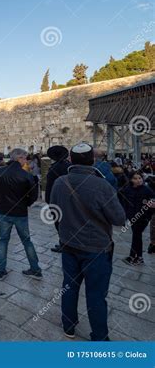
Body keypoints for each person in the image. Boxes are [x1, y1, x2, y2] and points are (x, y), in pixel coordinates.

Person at [50, 143, 126, 341]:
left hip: (68, 246)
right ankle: (99, 336)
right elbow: (119, 219)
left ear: (71, 160)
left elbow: (54, 213)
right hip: (96, 249)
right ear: (92, 160)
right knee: (96, 294)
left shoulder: (59, 183)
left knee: (69, 286)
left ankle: (69, 326)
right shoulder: (102, 185)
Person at [0, 148, 41, 280]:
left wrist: (0, 200)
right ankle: (35, 269)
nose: (26, 161)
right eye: (25, 158)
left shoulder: (0, 172)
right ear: (19, 158)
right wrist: (26, 203)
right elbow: (34, 195)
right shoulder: (26, 175)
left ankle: (0, 271)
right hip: (21, 213)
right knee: (27, 241)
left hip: (5, 211)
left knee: (3, 241)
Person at [118, 171, 155, 266]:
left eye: (140, 178)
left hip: (143, 217)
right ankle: (138, 257)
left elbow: (153, 201)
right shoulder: (127, 190)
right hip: (132, 217)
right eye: (135, 178)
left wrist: (150, 208)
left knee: (136, 235)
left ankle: (133, 256)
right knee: (137, 236)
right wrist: (126, 216)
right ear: (131, 179)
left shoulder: (147, 190)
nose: (138, 180)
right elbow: (125, 204)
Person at [45, 146, 71, 253]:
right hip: (69, 199)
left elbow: (49, 186)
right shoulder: (70, 167)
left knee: (58, 222)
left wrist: (48, 200)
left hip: (56, 200)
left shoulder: (53, 168)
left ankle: (63, 244)